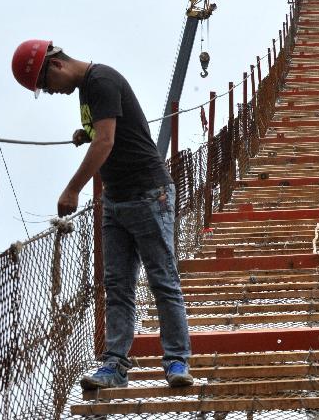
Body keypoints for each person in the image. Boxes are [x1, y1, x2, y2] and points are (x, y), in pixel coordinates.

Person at [11, 39, 193, 389]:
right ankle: (114, 366)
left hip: (148, 194)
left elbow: (106, 142)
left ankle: (175, 362)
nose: (52, 93)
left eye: (47, 86)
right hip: (117, 200)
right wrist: (86, 132)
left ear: (55, 65)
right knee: (117, 286)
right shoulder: (87, 90)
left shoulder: (101, 81)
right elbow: (104, 131)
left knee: (162, 280)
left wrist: (72, 188)